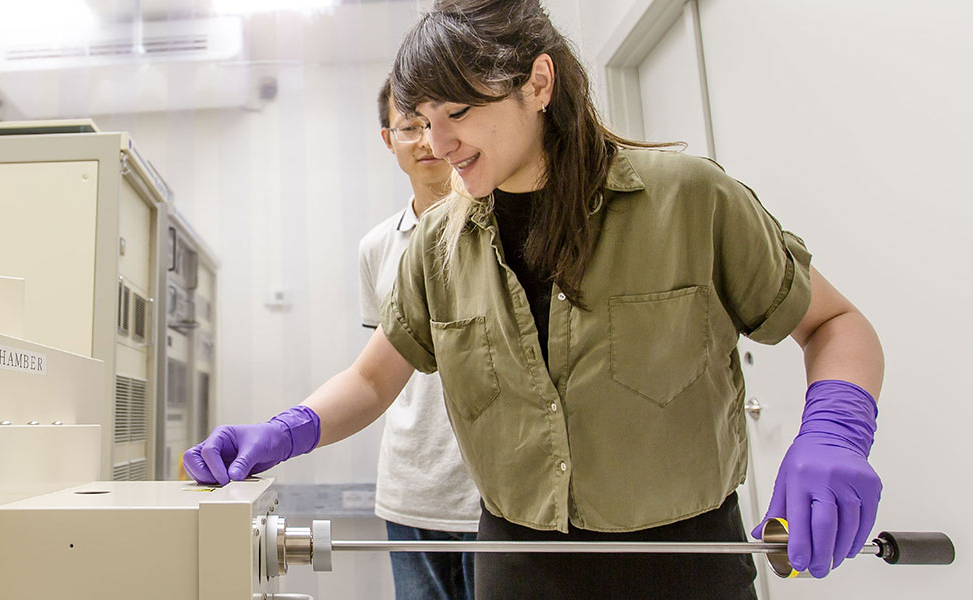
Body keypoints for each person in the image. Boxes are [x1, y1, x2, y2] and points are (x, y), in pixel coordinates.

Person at [185, 1, 884, 598]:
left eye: (457, 111)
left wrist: (834, 434)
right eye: (424, 119)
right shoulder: (438, 245)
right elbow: (374, 377)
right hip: (517, 566)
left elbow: (833, 321)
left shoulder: (690, 200)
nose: (438, 142)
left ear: (538, 82)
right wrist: (284, 431)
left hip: (687, 562)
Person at [356, 77, 480, 600]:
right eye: (410, 127)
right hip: (411, 485)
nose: (427, 142)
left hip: (488, 489)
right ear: (390, 139)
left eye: (436, 124)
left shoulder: (495, 223)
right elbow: (377, 372)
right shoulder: (376, 247)